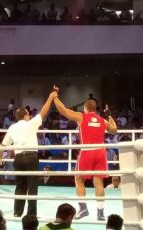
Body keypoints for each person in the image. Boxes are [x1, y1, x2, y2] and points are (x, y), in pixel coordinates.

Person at [52, 85, 117, 220]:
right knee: (98, 182)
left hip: (87, 152)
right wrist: (109, 115)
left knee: (79, 180)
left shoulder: (82, 116)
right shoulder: (102, 120)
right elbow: (114, 130)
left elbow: (63, 110)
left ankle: (83, 209)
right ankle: (100, 214)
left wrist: (55, 96)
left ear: (85, 108)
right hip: (100, 152)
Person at [2, 91, 57, 217]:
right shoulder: (31, 123)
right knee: (32, 186)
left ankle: (17, 212)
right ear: (26, 116)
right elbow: (44, 111)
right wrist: (50, 97)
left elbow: (4, 144)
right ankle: (31, 214)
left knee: (20, 185)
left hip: (18, 158)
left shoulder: (12, 127)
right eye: (28, 114)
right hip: (31, 157)